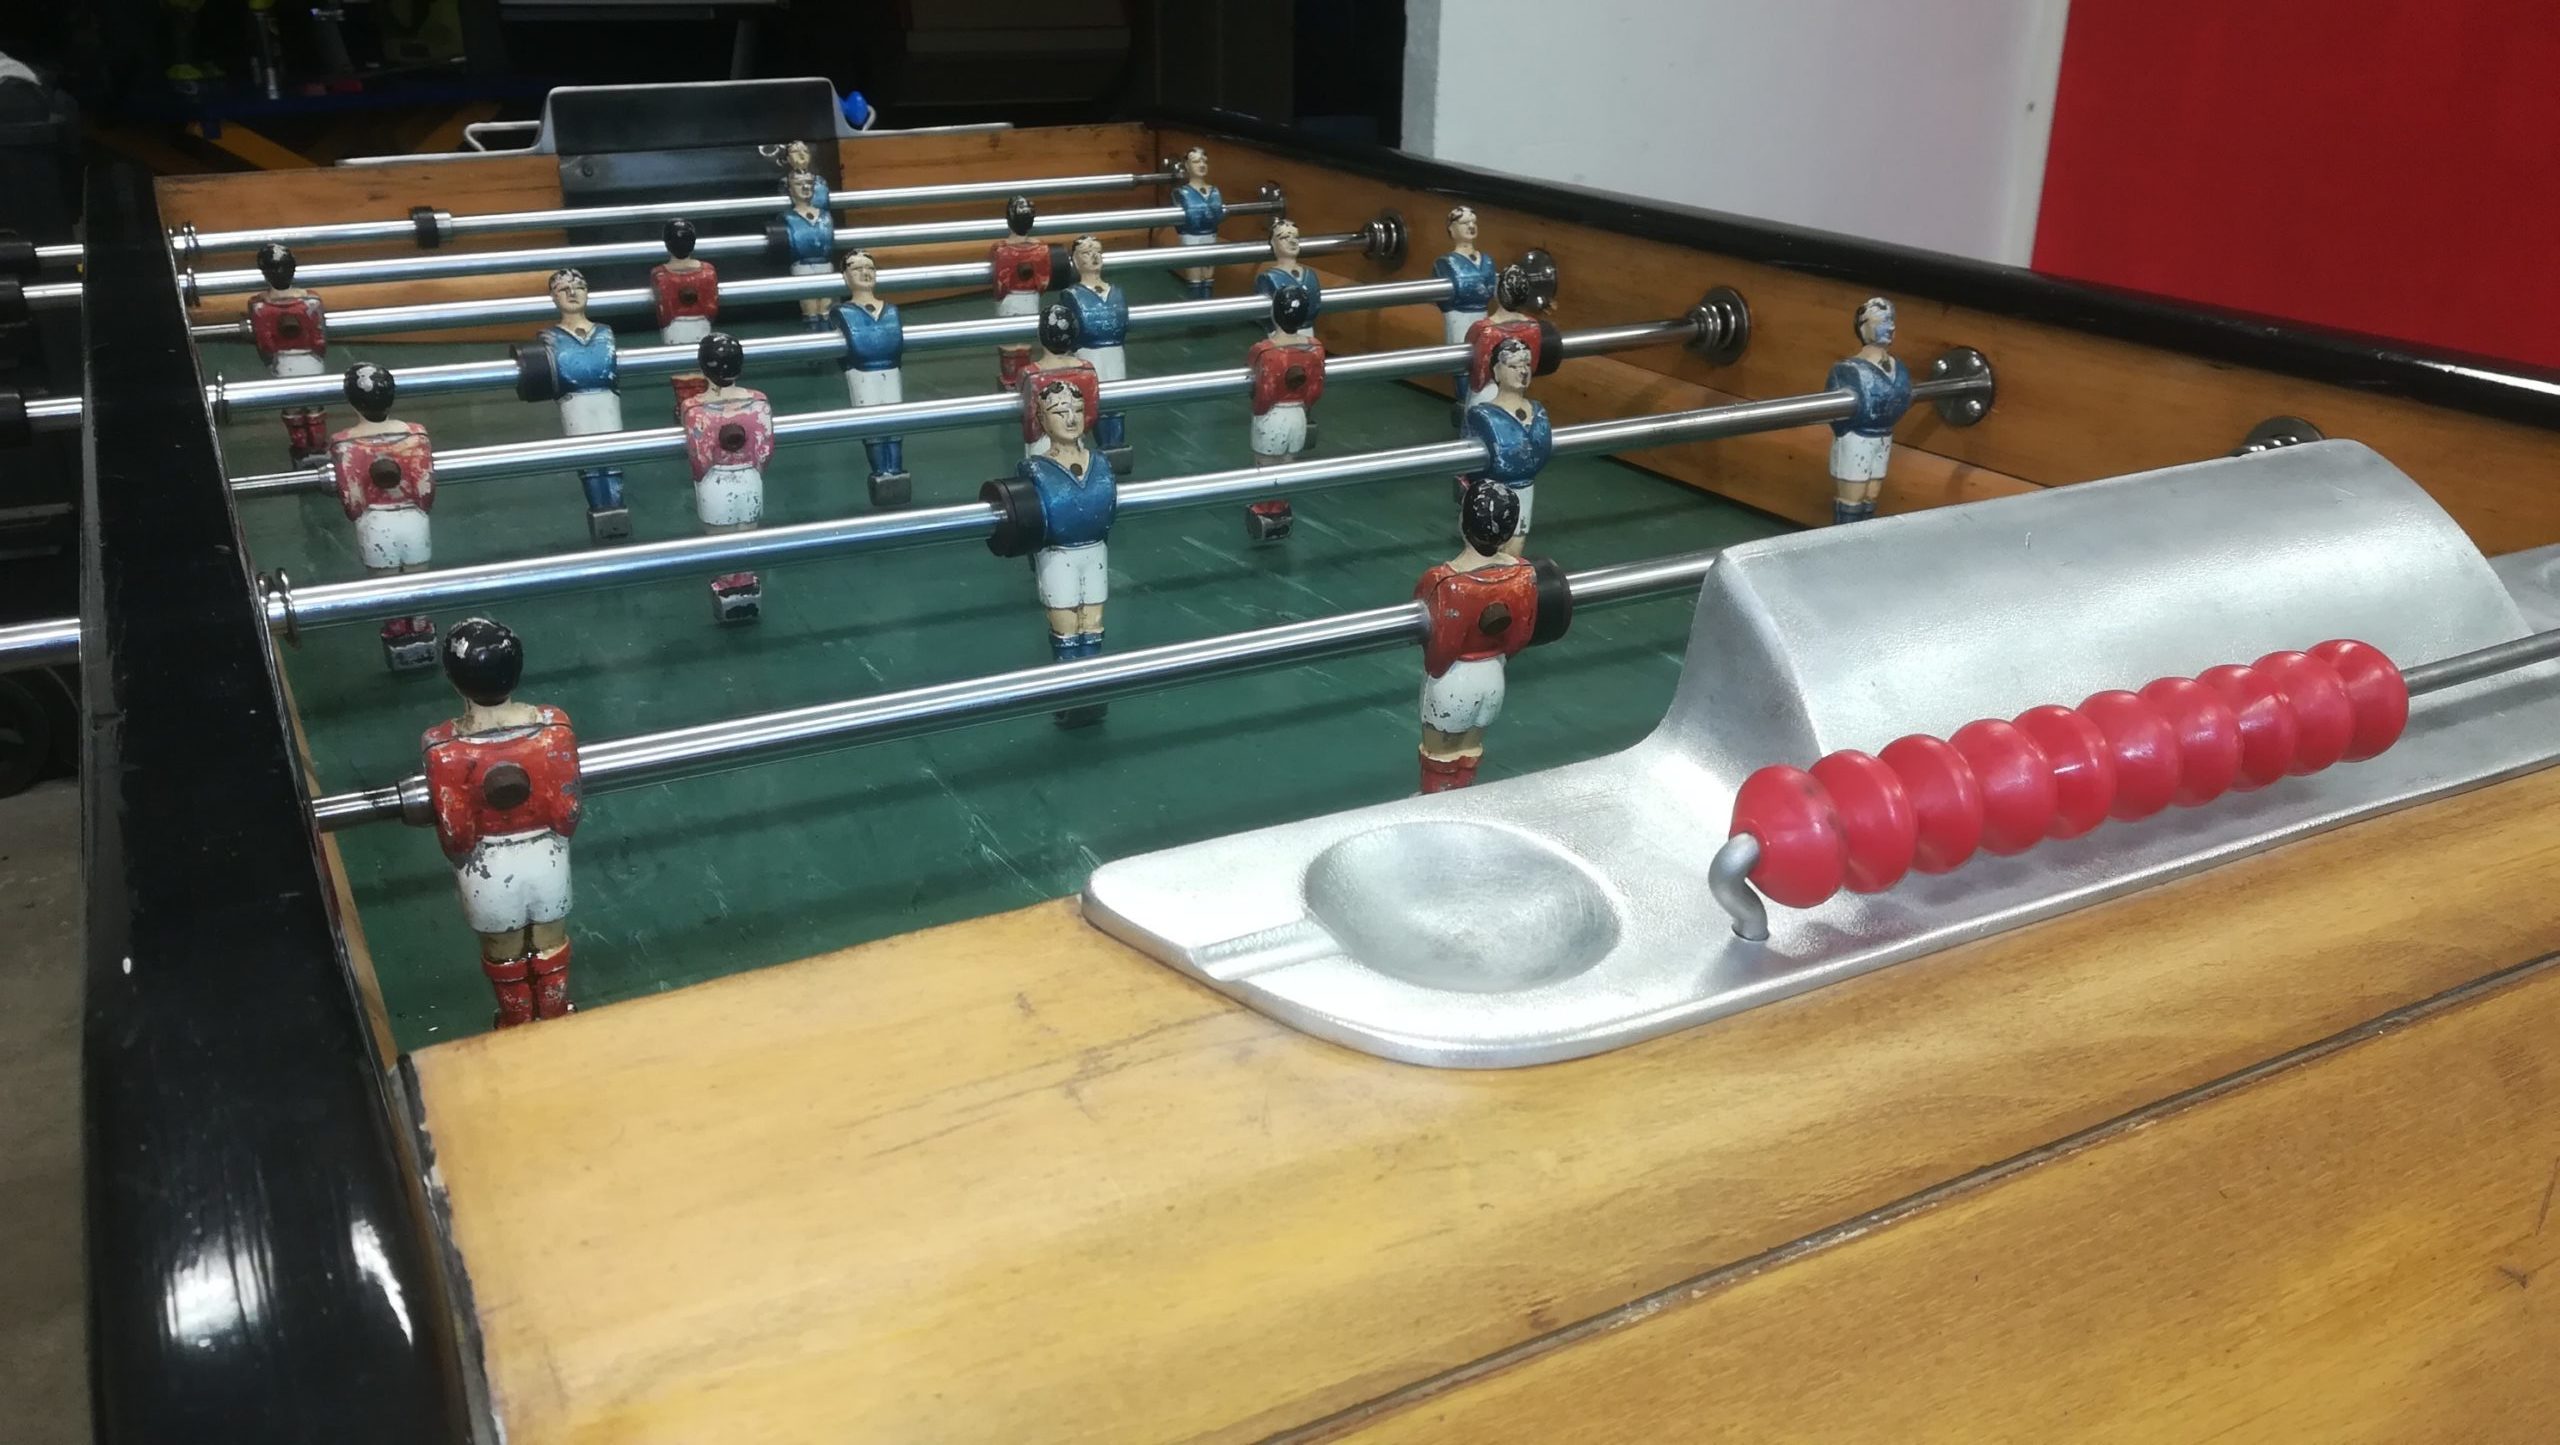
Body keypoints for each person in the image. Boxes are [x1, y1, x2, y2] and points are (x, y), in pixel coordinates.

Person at [420, 618, 583, 1028]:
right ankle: (555, 1011)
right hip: (546, 855)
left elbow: (457, 834)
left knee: (504, 951)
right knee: (550, 941)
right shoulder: (554, 729)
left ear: (453, 678)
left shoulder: (444, 750)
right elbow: (567, 813)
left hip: (487, 868)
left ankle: (516, 1020)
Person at [1415, 480, 1544, 792]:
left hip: (1454, 679)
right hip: (1493, 675)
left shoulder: (1445, 582)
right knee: (1470, 749)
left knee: (1439, 754)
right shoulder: (1524, 575)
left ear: (1464, 521)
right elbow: (1521, 635)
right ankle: (1463, 800)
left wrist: (1435, 667)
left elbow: (1441, 648)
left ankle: (1436, 805)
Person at [328, 363, 437, 670]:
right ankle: (423, 634)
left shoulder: (344, 444)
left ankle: (398, 640)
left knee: (388, 593)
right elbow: (426, 492)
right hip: (414, 520)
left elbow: (352, 502)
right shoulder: (416, 435)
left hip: (374, 524)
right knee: (418, 586)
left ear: (351, 400)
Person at [679, 333, 774, 622]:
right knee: (747, 537)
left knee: (721, 543)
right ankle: (747, 590)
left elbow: (699, 458)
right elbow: (765, 450)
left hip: (714, 482)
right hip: (750, 479)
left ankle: (728, 594)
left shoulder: (695, 409)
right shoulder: (759, 402)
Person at [536, 268, 629, 542]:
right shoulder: (550, 337)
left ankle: (617, 513)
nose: (572, 293)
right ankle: (601, 513)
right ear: (553, 297)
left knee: (614, 459)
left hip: (606, 400)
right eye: (564, 289)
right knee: (589, 464)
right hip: (575, 403)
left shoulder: (605, 332)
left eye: (579, 286)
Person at [1242, 284, 1325, 543]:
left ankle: (1265, 509)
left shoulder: (1264, 351)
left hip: (1272, 416)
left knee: (1265, 466)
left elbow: (1264, 392)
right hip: (1298, 415)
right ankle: (1281, 507)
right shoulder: (1315, 348)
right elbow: (1315, 389)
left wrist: (1259, 411)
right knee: (1288, 464)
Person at [1459, 337, 1552, 557]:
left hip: (1524, 491)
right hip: (1487, 496)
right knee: (1484, 553)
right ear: (1497, 371)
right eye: (1513, 366)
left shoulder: (1538, 412)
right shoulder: (1482, 416)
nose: (1523, 372)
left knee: (1514, 551)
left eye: (1526, 365)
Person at [1824, 296, 1913, 524]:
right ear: (1864, 327)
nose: (1890, 327)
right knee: (1852, 498)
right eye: (1882, 321)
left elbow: (1903, 397)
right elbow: (1834, 414)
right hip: (1857, 439)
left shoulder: (1899, 368)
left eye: (1891, 321)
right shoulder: (1847, 370)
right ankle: (1845, 539)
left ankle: (1864, 538)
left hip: (1883, 437)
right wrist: (1850, 432)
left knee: (1871, 494)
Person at [833, 250, 911, 507]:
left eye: (870, 268)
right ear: (845, 276)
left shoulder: (891, 310)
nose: (865, 273)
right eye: (857, 269)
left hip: (890, 370)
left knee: (895, 423)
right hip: (861, 374)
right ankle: (881, 473)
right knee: (873, 427)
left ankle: (896, 471)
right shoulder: (843, 313)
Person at [245, 241, 330, 463]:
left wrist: (271, 361)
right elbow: (320, 338)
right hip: (311, 360)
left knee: (292, 408)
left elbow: (265, 344)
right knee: (314, 405)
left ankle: (302, 449)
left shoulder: (259, 306)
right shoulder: (311, 301)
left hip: (282, 363)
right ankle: (317, 446)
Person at [1056, 234, 1132, 467]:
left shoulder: (1117, 291)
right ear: (1075, 261)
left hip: (1115, 354)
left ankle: (1115, 454)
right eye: (1087, 253)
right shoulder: (1072, 296)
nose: (1094, 256)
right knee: (1094, 405)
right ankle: (1103, 455)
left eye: (1097, 251)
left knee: (1117, 407)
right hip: (1089, 355)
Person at [650, 218, 720, 418]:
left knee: (691, 364)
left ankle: (691, 405)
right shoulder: (707, 272)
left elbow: (664, 310)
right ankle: (689, 405)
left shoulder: (661, 275)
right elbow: (711, 308)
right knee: (690, 364)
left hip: (679, 326)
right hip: (691, 324)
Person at [1431, 206, 1497, 411]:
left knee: (1485, 363)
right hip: (1458, 320)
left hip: (1483, 318)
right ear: (1452, 229)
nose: (1471, 226)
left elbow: (1489, 290)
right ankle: (1465, 409)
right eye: (1464, 223)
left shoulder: (1487, 260)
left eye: (1473, 222)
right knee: (1463, 366)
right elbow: (1453, 296)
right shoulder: (1445, 263)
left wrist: (1472, 289)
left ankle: (1482, 408)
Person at [1015, 302, 1098, 459]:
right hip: (1075, 439)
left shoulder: (1030, 375)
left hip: (1041, 445)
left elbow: (1030, 425)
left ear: (1041, 335)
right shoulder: (1087, 371)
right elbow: (1090, 416)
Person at [988, 196, 1053, 389]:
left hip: (1009, 300)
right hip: (1030, 299)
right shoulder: (1042, 249)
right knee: (1024, 340)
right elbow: (1044, 283)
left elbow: (1000, 285)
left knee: (1009, 341)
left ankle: (1011, 380)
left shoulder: (1001, 250)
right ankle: (1022, 380)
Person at [778, 169, 838, 332]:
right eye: (799, 184)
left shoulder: (825, 216)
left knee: (826, 307)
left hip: (824, 264)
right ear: (789, 189)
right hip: (802, 265)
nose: (805, 187)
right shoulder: (788, 217)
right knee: (810, 307)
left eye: (809, 183)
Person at [1170, 146, 1225, 298]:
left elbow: (1218, 215)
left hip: (1211, 235)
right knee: (1195, 276)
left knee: (1208, 276)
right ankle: (1196, 306)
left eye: (1204, 161)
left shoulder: (1215, 191)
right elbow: (1178, 223)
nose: (1201, 165)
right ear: (1187, 166)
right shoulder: (1180, 193)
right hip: (1191, 237)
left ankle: (1208, 305)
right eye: (1196, 162)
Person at [1251, 218, 1323, 327]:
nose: (1292, 241)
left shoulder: (1310, 275)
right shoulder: (1268, 278)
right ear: (1273, 243)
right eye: (1284, 237)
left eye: (1296, 237)